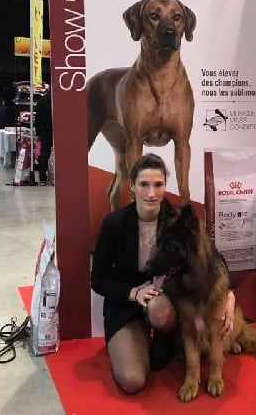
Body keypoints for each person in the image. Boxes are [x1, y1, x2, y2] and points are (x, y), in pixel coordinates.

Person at [91, 153, 236, 395]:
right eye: (144, 184)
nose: (151, 193)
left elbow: (213, 257)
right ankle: (140, 338)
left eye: (158, 185)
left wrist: (229, 293)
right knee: (132, 380)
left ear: (165, 185)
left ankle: (163, 338)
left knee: (161, 311)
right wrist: (134, 293)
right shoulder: (114, 223)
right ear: (132, 186)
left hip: (164, 300)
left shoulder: (176, 218)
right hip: (126, 305)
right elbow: (98, 280)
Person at [35, 88, 53, 185]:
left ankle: (42, 178)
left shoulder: (41, 101)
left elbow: (37, 119)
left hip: (45, 130)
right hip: (58, 129)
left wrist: (38, 133)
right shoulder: (59, 99)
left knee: (44, 153)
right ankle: (58, 175)